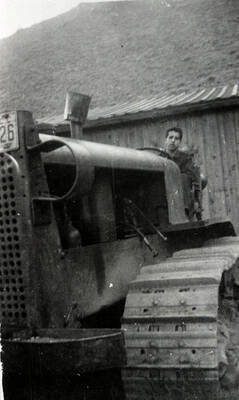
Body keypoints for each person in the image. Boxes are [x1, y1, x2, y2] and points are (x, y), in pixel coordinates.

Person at [164, 127, 202, 220]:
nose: (173, 141)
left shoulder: (186, 158)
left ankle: (184, 214)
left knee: (183, 177)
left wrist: (197, 201)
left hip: (182, 196)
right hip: (164, 194)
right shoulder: (160, 158)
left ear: (179, 142)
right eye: (170, 137)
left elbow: (195, 178)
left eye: (176, 138)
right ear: (166, 139)